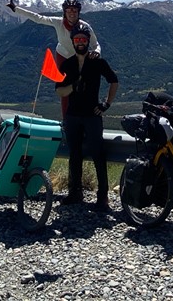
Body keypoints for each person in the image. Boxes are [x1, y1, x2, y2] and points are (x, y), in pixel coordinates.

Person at [55, 23, 118, 212]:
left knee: (98, 154)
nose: (80, 42)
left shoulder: (98, 62)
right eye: (77, 40)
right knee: (74, 155)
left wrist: (106, 104)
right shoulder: (68, 64)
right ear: (73, 42)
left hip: (92, 115)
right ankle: (75, 194)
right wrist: (73, 87)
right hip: (73, 115)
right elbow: (59, 91)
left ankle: (102, 198)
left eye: (83, 39)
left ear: (88, 41)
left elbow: (114, 81)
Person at [6, 0, 101, 116]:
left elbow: (95, 44)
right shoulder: (58, 22)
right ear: (64, 12)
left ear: (78, 12)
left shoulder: (85, 26)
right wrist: (16, 9)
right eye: (69, 10)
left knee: (83, 84)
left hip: (78, 58)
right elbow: (38, 18)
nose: (72, 13)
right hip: (62, 55)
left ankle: (86, 114)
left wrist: (97, 52)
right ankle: (66, 118)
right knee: (64, 85)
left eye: (74, 10)